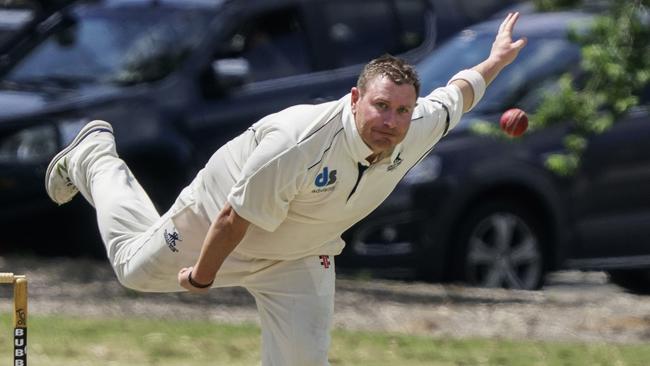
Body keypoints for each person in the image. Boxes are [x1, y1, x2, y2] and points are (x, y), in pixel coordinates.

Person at [45, 13, 526, 366]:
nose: (391, 121)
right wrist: (203, 277)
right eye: (381, 106)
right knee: (132, 269)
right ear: (356, 99)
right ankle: (94, 157)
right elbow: (233, 219)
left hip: (300, 254)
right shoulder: (300, 141)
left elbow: (455, 96)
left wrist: (495, 61)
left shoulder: (413, 127)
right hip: (217, 221)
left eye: (402, 110)